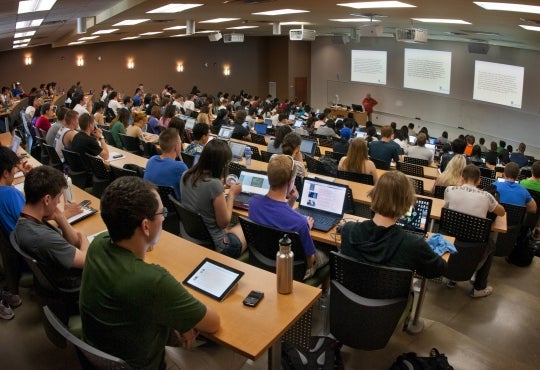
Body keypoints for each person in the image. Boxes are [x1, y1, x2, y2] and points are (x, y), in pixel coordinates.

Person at [79, 177, 245, 370]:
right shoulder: (152, 280)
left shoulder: (98, 244)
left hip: (108, 354)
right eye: (161, 212)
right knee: (239, 344)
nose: (164, 217)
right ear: (145, 226)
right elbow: (213, 323)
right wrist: (184, 319)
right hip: (151, 365)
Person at [340, 171, 446, 278]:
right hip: (388, 294)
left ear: (374, 194)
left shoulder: (348, 229)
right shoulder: (414, 244)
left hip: (350, 292)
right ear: (406, 203)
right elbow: (439, 269)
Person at [249, 154, 328, 280]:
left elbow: (277, 216)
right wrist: (307, 229)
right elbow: (309, 262)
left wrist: (292, 200)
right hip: (292, 271)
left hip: (264, 260)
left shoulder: (253, 203)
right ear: (291, 182)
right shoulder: (301, 223)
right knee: (329, 251)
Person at [12, 166, 87, 291]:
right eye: (58, 198)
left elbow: (72, 242)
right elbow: (87, 260)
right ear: (47, 199)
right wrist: (84, 237)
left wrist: (59, 216)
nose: (58, 203)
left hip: (58, 275)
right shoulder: (42, 237)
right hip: (75, 283)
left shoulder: (25, 221)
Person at [444, 164, 506, 297]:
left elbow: (447, 207)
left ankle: (452, 279)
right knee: (491, 245)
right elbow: (501, 213)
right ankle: (479, 287)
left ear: (461, 178)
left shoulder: (449, 190)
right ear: (479, 181)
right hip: (475, 245)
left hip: (451, 240)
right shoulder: (487, 196)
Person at [180, 139, 247, 258]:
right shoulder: (214, 185)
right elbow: (223, 223)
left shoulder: (186, 175)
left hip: (191, 235)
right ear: (222, 164)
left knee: (232, 228)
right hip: (218, 246)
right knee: (245, 226)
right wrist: (231, 194)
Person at [144, 128, 188, 199]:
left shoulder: (151, 160)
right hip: (173, 207)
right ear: (176, 147)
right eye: (180, 142)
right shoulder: (180, 167)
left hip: (152, 203)